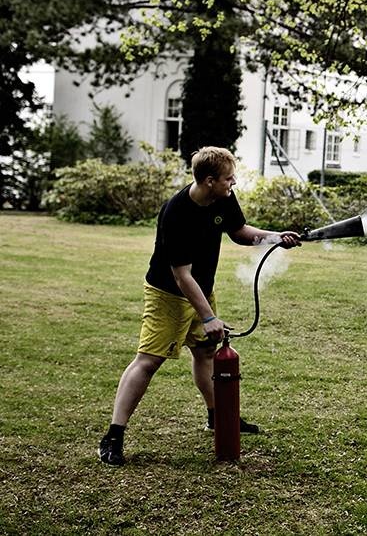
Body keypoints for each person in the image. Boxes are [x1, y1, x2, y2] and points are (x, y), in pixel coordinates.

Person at [98, 147, 301, 466]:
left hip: (201, 289)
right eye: (228, 178)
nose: (233, 183)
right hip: (168, 294)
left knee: (206, 353)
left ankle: (217, 417)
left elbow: (239, 232)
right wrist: (208, 317)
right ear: (209, 181)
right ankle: (113, 436)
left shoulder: (223, 197)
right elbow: (181, 276)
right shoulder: (176, 213)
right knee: (148, 361)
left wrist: (275, 237)